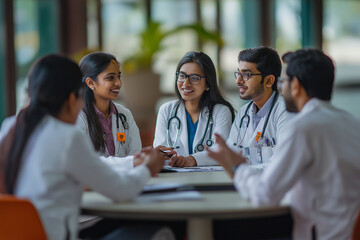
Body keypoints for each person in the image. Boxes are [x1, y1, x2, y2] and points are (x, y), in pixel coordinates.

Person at [0, 54, 175, 240]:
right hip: (56, 234)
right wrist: (148, 167)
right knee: (162, 228)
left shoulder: (10, 127)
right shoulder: (67, 137)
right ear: (71, 99)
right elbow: (122, 190)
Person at [207, 49, 360, 239]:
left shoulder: (303, 127)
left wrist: (237, 168)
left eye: (284, 81)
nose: (282, 88)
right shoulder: (353, 122)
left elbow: (265, 194)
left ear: (295, 85)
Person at [153, 51, 235, 167]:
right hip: (175, 178)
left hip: (210, 180)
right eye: (182, 76)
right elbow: (161, 152)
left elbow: (221, 151)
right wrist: (169, 158)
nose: (186, 84)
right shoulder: (166, 110)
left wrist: (191, 160)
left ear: (207, 84)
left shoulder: (221, 112)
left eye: (194, 78)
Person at [227, 46, 293, 165]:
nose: (238, 81)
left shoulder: (286, 111)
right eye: (238, 73)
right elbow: (230, 153)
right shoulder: (243, 113)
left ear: (268, 81)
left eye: (246, 75)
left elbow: (284, 159)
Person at [77, 52, 141, 164]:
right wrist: (129, 162)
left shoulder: (124, 114)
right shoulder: (77, 117)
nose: (119, 83)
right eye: (110, 78)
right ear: (91, 83)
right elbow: (83, 162)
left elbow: (136, 156)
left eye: (119, 76)